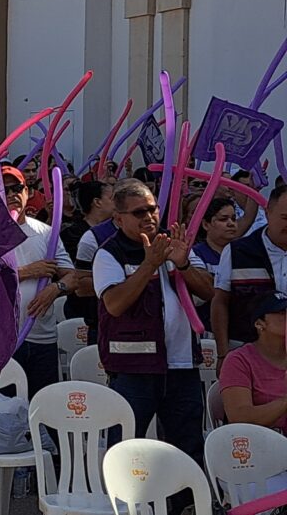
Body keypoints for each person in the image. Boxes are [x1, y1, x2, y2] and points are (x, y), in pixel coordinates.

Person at [93, 178, 213, 512]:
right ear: (119, 219)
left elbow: (208, 292)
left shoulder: (174, 244)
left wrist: (183, 263)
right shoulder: (110, 254)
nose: (149, 217)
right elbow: (114, 304)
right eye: (139, 212)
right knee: (127, 448)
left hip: (182, 366)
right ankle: (126, 506)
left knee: (186, 446)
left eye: (153, 209)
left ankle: (183, 507)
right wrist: (149, 265)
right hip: (134, 370)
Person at [1, 166, 77, 398]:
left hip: (42, 336)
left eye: (18, 188)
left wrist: (55, 288)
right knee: (6, 410)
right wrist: (25, 272)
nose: (13, 194)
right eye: (5, 190)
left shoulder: (45, 232)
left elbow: (72, 277)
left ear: (28, 191)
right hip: (4, 338)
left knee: (44, 405)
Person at [212, 185, 287, 371]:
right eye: (285, 218)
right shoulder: (238, 251)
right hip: (246, 352)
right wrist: (223, 353)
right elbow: (220, 302)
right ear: (267, 213)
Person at [220, 290, 287, 434]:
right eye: (281, 312)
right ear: (259, 324)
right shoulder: (239, 360)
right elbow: (239, 417)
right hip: (259, 447)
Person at [61, 181, 115, 332]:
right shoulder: (72, 235)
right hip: (85, 313)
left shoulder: (120, 233)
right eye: (112, 198)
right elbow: (78, 280)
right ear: (97, 202)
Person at [190, 198, 237, 331]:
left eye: (234, 218)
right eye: (223, 219)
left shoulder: (244, 254)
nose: (231, 224)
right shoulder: (194, 254)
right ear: (206, 224)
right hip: (206, 331)